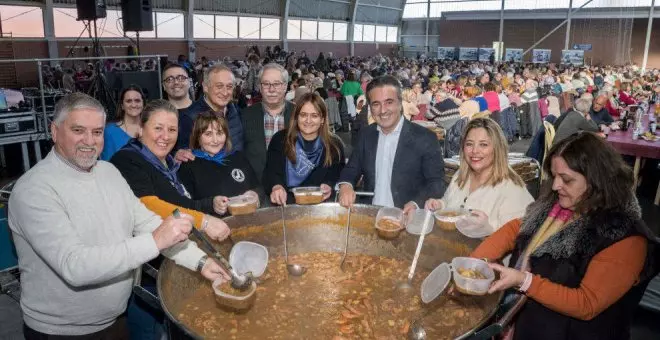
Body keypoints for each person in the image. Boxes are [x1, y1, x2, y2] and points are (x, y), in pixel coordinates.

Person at [8, 93, 229, 339]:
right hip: (62, 331)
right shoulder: (35, 189)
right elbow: (75, 265)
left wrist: (201, 262)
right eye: (78, 130)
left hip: (115, 320)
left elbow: (146, 222)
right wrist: (156, 241)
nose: (89, 141)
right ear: (55, 131)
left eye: (97, 132)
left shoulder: (108, 172)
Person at [470, 132, 657, 340]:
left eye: (566, 179)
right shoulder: (559, 203)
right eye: (554, 176)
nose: (556, 185)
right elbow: (516, 229)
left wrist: (524, 281)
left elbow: (586, 303)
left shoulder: (624, 237)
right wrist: (474, 263)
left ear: (596, 180)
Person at [111, 100, 232, 240]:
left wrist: (211, 203)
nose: (166, 136)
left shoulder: (170, 162)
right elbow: (148, 205)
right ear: (141, 128)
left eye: (172, 130)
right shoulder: (126, 159)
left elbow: (181, 203)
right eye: (158, 128)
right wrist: (204, 221)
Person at [337, 75, 446, 211]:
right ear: (370, 107)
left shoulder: (425, 138)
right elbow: (352, 168)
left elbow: (437, 183)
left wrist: (416, 203)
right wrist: (346, 185)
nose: (383, 110)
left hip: (407, 221)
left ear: (400, 103)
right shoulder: (366, 134)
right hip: (370, 217)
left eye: (389, 102)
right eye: (376, 104)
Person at [425, 118, 533, 236]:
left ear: (497, 149)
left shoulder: (513, 188)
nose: (475, 151)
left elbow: (522, 236)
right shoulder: (460, 176)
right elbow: (450, 204)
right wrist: (440, 205)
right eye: (469, 144)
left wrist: (488, 229)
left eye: (483, 144)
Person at [264, 92, 345, 205]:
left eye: (314, 115)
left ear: (322, 119)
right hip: (286, 205)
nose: (308, 120)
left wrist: (329, 185)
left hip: (320, 206)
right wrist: (277, 186)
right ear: (296, 117)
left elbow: (337, 173)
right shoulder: (279, 140)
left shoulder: (334, 145)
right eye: (303, 115)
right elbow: (271, 172)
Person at [178, 113, 262, 213]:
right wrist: (211, 204)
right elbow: (185, 206)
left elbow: (258, 188)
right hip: (212, 225)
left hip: (248, 223)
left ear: (226, 135)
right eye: (208, 134)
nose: (215, 140)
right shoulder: (188, 165)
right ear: (197, 137)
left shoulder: (238, 158)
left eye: (219, 133)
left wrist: (256, 195)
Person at [240, 63, 295, 180]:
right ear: (260, 87)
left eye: (276, 84)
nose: (271, 89)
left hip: (291, 187)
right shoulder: (244, 116)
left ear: (285, 86)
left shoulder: (299, 114)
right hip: (255, 188)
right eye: (266, 84)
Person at [176, 64, 244, 157]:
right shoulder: (190, 117)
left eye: (229, 86)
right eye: (219, 86)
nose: (225, 92)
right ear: (205, 87)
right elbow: (184, 157)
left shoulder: (236, 110)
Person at [101, 85, 144, 160]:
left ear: (143, 104)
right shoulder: (110, 131)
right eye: (128, 101)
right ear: (122, 106)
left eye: (137, 100)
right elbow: (107, 162)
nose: (133, 105)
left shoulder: (150, 128)